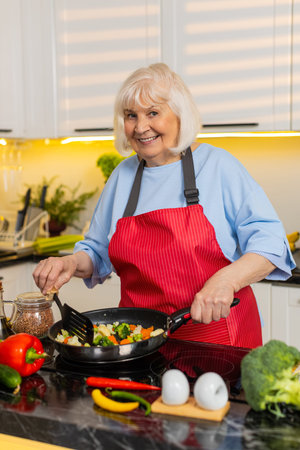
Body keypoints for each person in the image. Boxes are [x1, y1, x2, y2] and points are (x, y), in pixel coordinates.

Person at [33, 63, 295, 348]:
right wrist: (69, 263)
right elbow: (97, 252)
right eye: (131, 116)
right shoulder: (124, 175)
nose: (141, 127)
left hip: (216, 340)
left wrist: (226, 281)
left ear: (179, 115)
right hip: (139, 343)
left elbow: (272, 245)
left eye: (153, 113)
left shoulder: (218, 165)